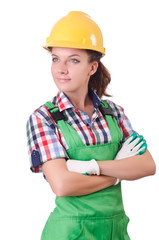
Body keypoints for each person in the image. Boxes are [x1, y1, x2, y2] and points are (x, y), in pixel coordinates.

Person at [26, 11, 156, 240]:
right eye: (56, 58)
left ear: (92, 67)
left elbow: (147, 165)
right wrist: (117, 171)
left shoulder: (113, 113)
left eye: (73, 60)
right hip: (69, 233)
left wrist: (92, 166)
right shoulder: (43, 118)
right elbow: (63, 185)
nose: (60, 68)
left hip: (115, 231)